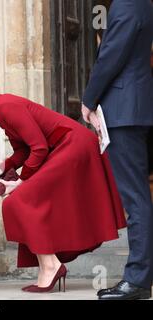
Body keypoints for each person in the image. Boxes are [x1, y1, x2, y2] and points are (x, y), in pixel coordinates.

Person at [0, 54, 127, 293]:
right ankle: (49, 265)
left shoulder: (5, 106)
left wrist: (21, 181)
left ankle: (52, 265)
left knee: (20, 201)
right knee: (23, 202)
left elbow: (39, 147)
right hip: (66, 147)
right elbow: (23, 150)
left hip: (74, 146)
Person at [82, 0, 153, 300]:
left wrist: (88, 99)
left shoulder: (128, 3)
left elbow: (111, 56)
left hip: (124, 109)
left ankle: (137, 279)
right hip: (130, 106)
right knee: (137, 197)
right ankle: (140, 276)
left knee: (135, 199)